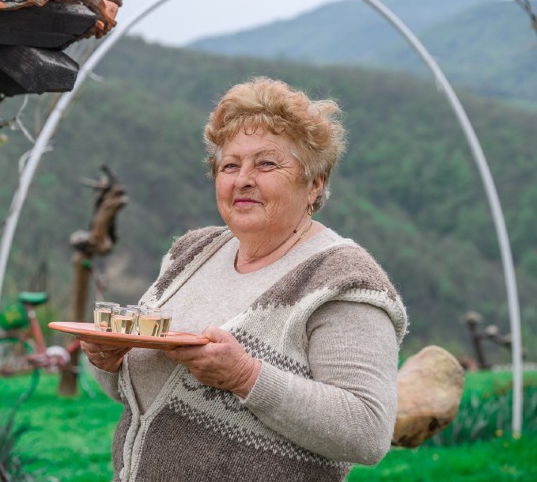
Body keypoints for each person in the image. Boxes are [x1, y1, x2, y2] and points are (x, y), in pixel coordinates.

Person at [82, 77, 408, 481]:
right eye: (230, 165)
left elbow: (367, 432)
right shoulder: (191, 253)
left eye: (266, 164)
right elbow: (143, 394)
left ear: (315, 183)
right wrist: (110, 362)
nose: (242, 179)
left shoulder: (343, 280)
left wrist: (245, 377)